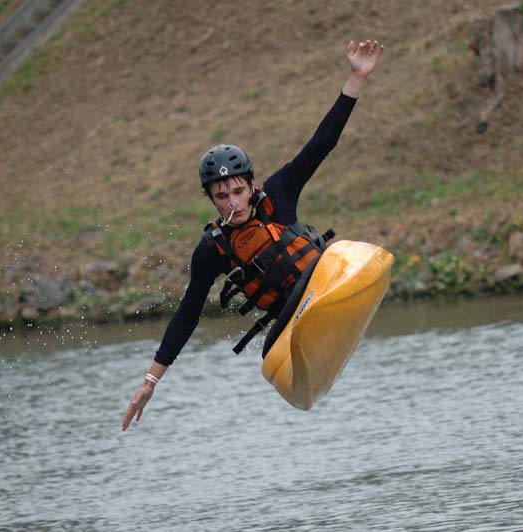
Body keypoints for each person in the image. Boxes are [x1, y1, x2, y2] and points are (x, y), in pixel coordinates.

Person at [122, 39, 384, 430]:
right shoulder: (212, 249)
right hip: (290, 319)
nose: (233, 203)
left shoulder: (278, 194)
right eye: (222, 196)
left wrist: (356, 77)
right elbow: (187, 314)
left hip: (323, 282)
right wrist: (150, 380)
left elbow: (322, 143)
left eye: (239, 191)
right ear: (210, 198)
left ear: (252, 185)